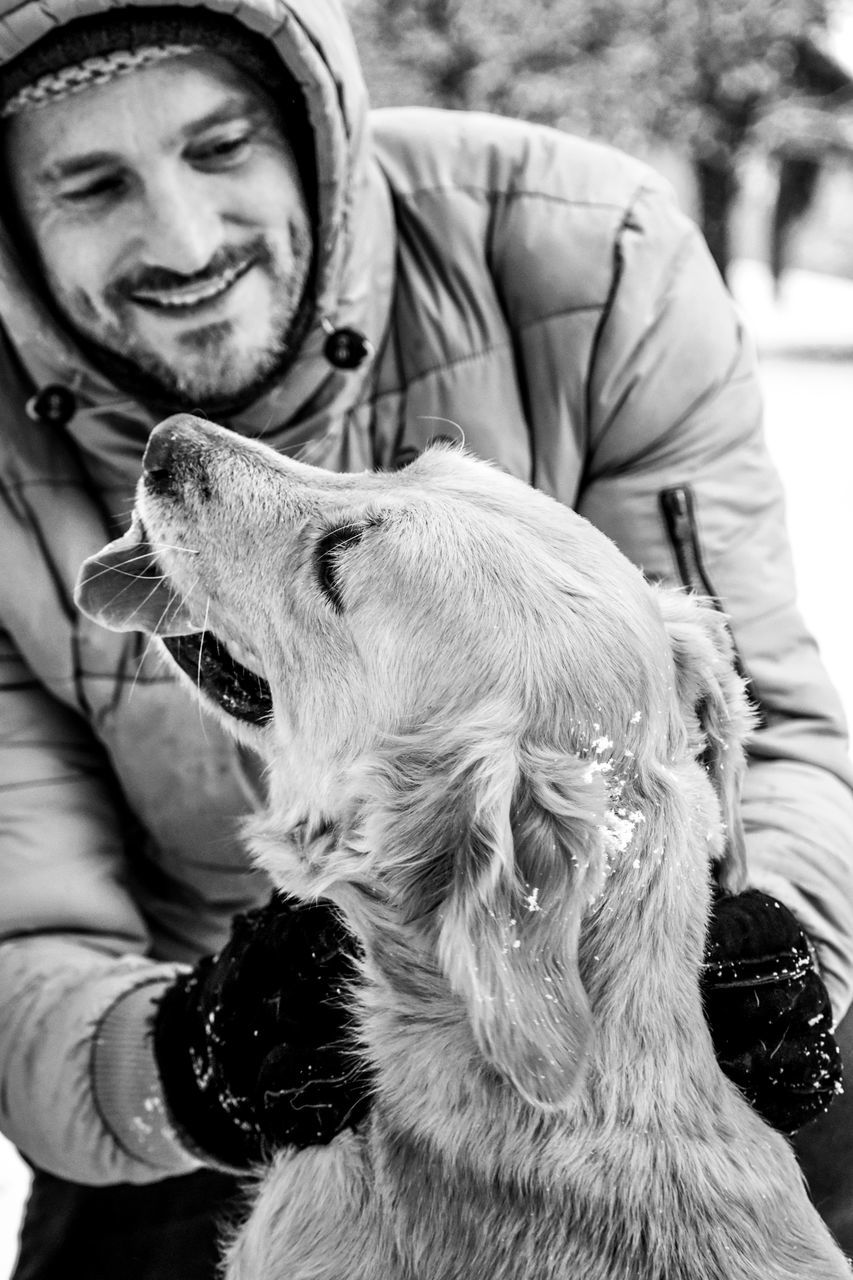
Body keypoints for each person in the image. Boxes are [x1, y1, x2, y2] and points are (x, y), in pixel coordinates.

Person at [0, 0, 851, 1275]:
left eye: (222, 147)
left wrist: (780, 935)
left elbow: (758, 720)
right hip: (233, 1059)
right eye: (91, 183)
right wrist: (177, 1063)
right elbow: (21, 937)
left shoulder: (588, 255)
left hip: (600, 955)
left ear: (313, 127)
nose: (180, 235)